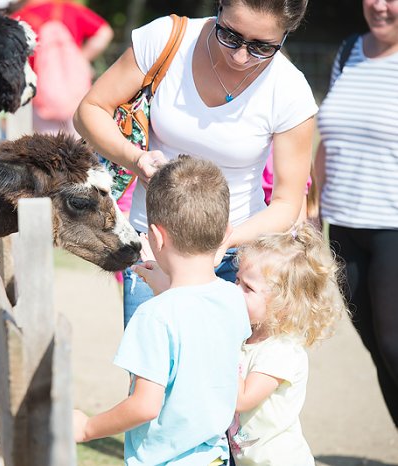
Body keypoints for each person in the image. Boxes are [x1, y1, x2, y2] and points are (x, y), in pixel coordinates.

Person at [74, 0, 317, 327]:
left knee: (222, 376)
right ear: (219, 8)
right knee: (151, 373)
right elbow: (90, 109)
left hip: (238, 260)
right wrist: (136, 159)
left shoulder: (290, 91)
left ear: (286, 35)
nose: (240, 56)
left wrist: (227, 239)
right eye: (229, 35)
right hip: (154, 247)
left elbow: (288, 202)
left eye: (261, 47)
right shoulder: (166, 40)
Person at [73, 155, 251, 465]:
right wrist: (167, 290)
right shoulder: (233, 298)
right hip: (214, 457)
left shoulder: (154, 316)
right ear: (225, 234)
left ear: (154, 237)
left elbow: (145, 406)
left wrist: (88, 428)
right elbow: (198, 326)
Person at [314, 0, 398, 428]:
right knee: (374, 346)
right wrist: (312, 209)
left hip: (393, 229)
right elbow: (327, 139)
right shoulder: (349, 52)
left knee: (394, 344)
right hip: (343, 224)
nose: (380, 6)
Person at [228, 223, 349, 465]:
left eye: (248, 288)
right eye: (237, 280)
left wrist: (220, 342)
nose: (234, 291)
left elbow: (242, 398)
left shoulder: (280, 350)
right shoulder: (247, 336)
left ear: (284, 303)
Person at [10, 0, 113, 136]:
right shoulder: (68, 8)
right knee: (81, 143)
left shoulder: (19, 19)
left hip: (42, 94)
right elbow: (105, 32)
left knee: (48, 146)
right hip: (76, 90)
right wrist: (82, 58)